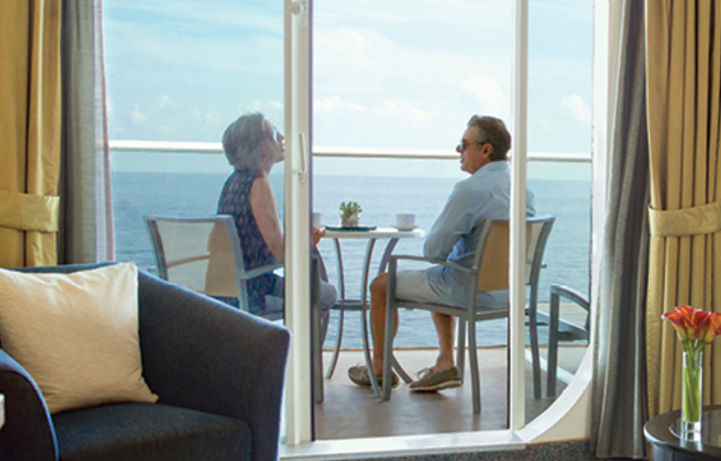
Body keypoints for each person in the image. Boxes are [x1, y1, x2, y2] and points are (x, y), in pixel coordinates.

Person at [350, 115, 533, 393]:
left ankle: (378, 368)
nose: (458, 151)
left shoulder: (468, 190)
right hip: (511, 291)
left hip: (468, 289)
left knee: (381, 286)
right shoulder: (524, 189)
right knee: (441, 273)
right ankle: (445, 362)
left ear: (486, 150)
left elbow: (434, 250)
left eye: (463, 144)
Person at [216, 113, 336, 315]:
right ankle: (293, 345)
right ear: (256, 146)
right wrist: (308, 241)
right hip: (255, 292)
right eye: (272, 133)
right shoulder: (258, 185)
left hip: (229, 288)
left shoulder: (232, 183)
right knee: (325, 293)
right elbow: (280, 253)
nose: (281, 137)